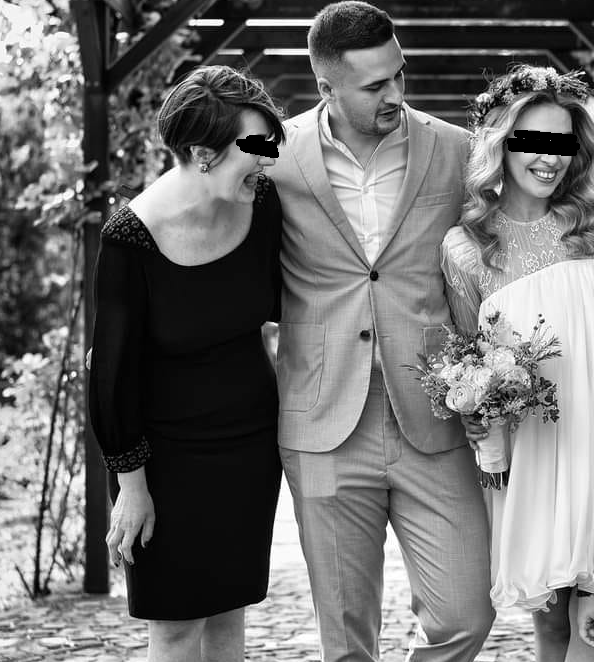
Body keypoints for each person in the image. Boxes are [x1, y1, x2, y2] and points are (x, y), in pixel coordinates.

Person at [271, 2, 495, 660]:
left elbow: (496, 253)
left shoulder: (455, 149)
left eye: (400, 73)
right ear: (326, 87)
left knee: (467, 615)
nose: (395, 92)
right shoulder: (275, 156)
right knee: (345, 642)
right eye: (375, 85)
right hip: (323, 422)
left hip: (434, 416)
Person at [88, 65, 285, 662]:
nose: (268, 159)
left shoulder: (263, 203)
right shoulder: (130, 237)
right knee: (174, 628)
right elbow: (110, 374)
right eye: (256, 147)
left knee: (227, 615)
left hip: (250, 451)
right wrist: (132, 486)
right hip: (163, 461)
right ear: (202, 153)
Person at [441, 64, 594, 661]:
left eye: (562, 142)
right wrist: (478, 416)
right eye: (531, 140)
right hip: (533, 456)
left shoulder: (591, 227)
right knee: (552, 626)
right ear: (500, 144)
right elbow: (468, 358)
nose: (548, 158)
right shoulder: (465, 248)